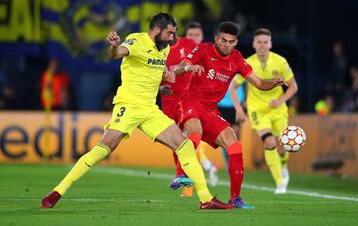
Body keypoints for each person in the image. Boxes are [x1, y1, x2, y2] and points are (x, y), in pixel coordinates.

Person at [40, 13, 231, 210]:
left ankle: (206, 199)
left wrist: (176, 72)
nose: (172, 38)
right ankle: (57, 191)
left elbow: (161, 72)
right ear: (157, 30)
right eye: (169, 33)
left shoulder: (163, 49)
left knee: (185, 146)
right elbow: (117, 53)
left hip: (149, 110)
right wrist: (114, 46)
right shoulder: (137, 40)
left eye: (174, 34)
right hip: (129, 106)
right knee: (102, 149)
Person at [171, 22, 285, 208]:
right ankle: (181, 175)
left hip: (210, 110)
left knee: (234, 145)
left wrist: (274, 81)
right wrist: (189, 68)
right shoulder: (204, 49)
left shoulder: (237, 58)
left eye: (231, 42)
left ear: (236, 42)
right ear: (217, 39)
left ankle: (235, 198)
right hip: (190, 101)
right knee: (195, 132)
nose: (226, 44)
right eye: (223, 40)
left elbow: (259, 83)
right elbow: (179, 67)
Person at [230, 28, 298, 194]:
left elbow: (293, 86)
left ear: (270, 44)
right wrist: (239, 108)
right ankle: (280, 183)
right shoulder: (248, 63)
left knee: (283, 147)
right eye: (259, 42)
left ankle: (283, 165)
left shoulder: (280, 62)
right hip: (257, 110)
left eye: (265, 42)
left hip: (278, 110)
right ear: (253, 44)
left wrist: (280, 100)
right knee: (269, 142)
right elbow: (234, 87)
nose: (262, 45)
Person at [159, 22, 218, 198]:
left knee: (190, 138)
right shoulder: (158, 49)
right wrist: (160, 88)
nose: (168, 34)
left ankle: (187, 181)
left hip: (188, 99)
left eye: (170, 30)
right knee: (177, 142)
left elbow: (202, 64)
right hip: (168, 101)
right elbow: (155, 74)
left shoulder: (190, 46)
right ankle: (186, 178)